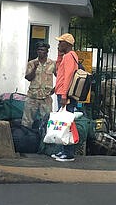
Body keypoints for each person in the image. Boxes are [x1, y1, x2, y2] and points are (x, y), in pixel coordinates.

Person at [52, 33, 79, 162]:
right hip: (63, 93)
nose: (58, 45)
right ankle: (63, 151)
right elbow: (58, 72)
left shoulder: (69, 57)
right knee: (63, 123)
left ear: (67, 44)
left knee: (66, 124)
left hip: (65, 95)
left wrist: (63, 95)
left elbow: (68, 76)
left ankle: (68, 153)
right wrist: (58, 55)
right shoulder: (67, 56)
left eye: (60, 42)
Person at [21, 42, 56, 128]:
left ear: (47, 52)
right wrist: (34, 68)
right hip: (32, 96)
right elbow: (28, 77)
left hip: (46, 97)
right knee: (27, 121)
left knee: (47, 121)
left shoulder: (52, 64)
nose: (40, 52)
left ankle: (44, 139)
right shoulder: (32, 63)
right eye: (39, 50)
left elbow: (59, 76)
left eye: (43, 50)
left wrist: (56, 88)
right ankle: (25, 137)